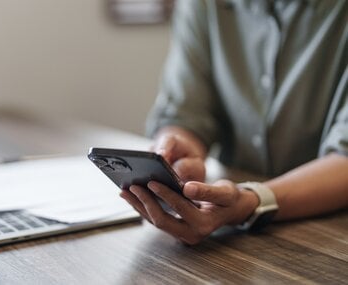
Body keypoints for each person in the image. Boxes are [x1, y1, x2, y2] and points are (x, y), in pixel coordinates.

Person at [119, 0, 348, 245]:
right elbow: (185, 113)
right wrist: (179, 150)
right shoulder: (202, 5)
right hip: (235, 234)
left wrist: (252, 201)